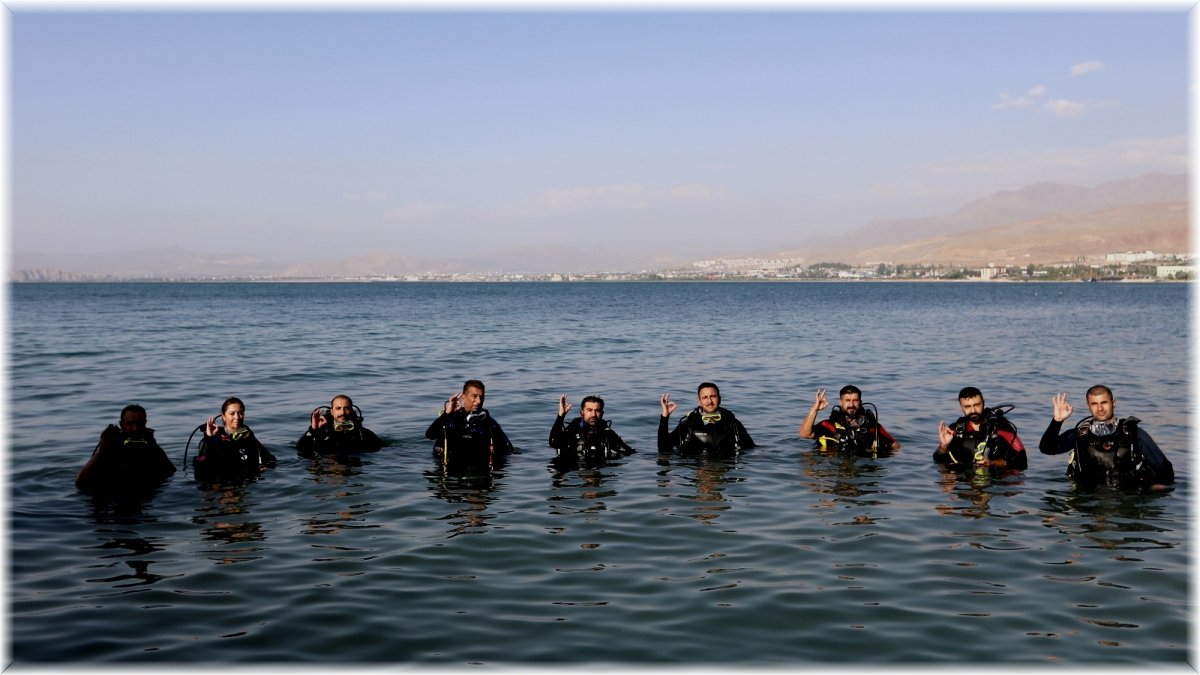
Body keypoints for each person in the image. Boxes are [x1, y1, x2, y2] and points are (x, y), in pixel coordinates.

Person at [1039, 385, 1174, 490]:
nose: (1100, 408)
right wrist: (1057, 421)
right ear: (1088, 406)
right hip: (1088, 500)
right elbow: (1047, 448)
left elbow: (1165, 469)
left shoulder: (1133, 434)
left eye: (1104, 402)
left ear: (1113, 403)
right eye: (1094, 404)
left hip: (1126, 498)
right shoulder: (1080, 435)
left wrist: (1157, 486)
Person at [76, 404, 177, 494]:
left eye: (139, 423)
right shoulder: (111, 448)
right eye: (130, 424)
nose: (135, 428)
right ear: (121, 425)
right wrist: (102, 450)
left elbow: (171, 473)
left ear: (145, 423)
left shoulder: (152, 448)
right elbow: (80, 483)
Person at [933, 387, 1027, 470]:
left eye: (977, 405)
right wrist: (943, 447)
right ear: (961, 407)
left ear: (984, 402)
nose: (973, 410)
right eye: (967, 406)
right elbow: (938, 461)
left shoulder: (1001, 426)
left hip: (995, 483)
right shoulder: (954, 430)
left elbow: (1022, 462)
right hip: (965, 484)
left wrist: (994, 463)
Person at [425, 379, 514, 465]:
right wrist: (447, 414)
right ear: (464, 397)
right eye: (474, 396)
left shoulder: (489, 423)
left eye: (481, 397)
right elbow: (430, 435)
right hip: (453, 473)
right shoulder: (451, 419)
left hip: (480, 471)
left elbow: (508, 449)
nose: (479, 401)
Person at [799, 385, 899, 456]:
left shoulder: (872, 426)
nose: (851, 405)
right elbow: (805, 434)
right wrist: (815, 409)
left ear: (860, 402)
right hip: (833, 467)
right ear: (840, 402)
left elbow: (895, 445)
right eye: (847, 400)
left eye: (855, 401)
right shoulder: (829, 426)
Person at [658, 382, 754, 455]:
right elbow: (663, 448)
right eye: (705, 397)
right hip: (697, 468)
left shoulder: (732, 423)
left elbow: (751, 448)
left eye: (713, 396)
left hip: (724, 470)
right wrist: (665, 417)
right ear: (699, 402)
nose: (709, 401)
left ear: (719, 399)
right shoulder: (688, 424)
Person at [193, 397, 276, 481]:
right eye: (232, 413)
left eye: (240, 413)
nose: (237, 417)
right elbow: (200, 465)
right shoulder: (215, 438)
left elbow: (270, 459)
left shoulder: (248, 436)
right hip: (221, 483)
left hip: (246, 482)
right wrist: (209, 437)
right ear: (224, 416)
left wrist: (264, 468)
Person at [549, 394, 636, 461]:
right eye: (589, 410)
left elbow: (628, 451)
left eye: (597, 411)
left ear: (602, 413)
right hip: (575, 471)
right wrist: (561, 416)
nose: (594, 415)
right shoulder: (573, 430)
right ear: (581, 412)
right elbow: (553, 442)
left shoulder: (607, 433)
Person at [296, 394, 384, 455]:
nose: (342, 412)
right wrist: (313, 429)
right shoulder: (321, 432)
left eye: (347, 408)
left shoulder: (362, 433)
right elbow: (300, 450)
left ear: (352, 411)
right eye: (338, 408)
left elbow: (383, 448)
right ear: (332, 411)